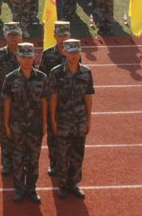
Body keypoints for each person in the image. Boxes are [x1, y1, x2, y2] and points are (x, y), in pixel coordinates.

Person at [2, 42, 47, 203]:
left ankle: (32, 189)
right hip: (17, 126)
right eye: (23, 57)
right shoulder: (10, 78)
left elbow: (44, 101)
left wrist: (45, 123)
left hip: (35, 126)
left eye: (30, 56)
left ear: (34, 57)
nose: (27, 60)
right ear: (18, 58)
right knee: (18, 159)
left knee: (33, 160)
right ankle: (20, 189)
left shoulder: (42, 77)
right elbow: (7, 102)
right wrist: (6, 124)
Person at [49, 38, 94, 199]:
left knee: (78, 153)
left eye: (76, 52)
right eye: (70, 52)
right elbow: (53, 97)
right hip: (63, 120)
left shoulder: (86, 72)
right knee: (62, 153)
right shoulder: (56, 72)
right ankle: (62, 185)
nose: (73, 55)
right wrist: (53, 119)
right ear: (64, 52)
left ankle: (73, 183)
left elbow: (88, 98)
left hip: (79, 120)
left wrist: (88, 119)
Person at [0, 22, 23, 175]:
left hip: (23, 103)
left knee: (21, 133)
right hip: (4, 101)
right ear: (5, 36)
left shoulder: (26, 52)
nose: (13, 38)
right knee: (5, 134)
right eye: (10, 35)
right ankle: (6, 163)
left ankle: (20, 162)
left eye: (15, 35)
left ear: (20, 36)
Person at [41, 20, 71, 175]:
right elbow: (42, 79)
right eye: (60, 35)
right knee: (53, 135)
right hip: (53, 102)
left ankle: (67, 163)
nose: (63, 38)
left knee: (70, 136)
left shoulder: (74, 53)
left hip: (70, 103)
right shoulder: (47, 54)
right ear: (54, 36)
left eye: (66, 35)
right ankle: (54, 163)